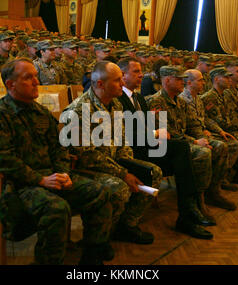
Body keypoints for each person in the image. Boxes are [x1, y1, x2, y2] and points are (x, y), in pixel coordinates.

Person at [0, 58, 114, 265]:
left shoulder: (41, 113)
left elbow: (59, 149)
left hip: (51, 176)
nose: (36, 81)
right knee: (56, 209)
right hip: (21, 184)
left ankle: (92, 258)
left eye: (35, 76)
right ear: (10, 85)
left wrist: (64, 173)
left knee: (100, 192)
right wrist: (40, 180)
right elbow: (1, 159)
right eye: (28, 77)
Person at [64, 61, 163, 245]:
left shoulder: (115, 104)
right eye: (117, 81)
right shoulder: (79, 110)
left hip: (112, 162)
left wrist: (128, 164)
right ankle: (98, 238)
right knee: (119, 187)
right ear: (101, 84)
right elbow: (87, 156)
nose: (123, 84)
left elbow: (122, 140)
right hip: (86, 168)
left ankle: (126, 225)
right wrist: (124, 173)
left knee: (152, 173)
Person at [117, 58, 214, 239]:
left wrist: (155, 133)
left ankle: (188, 212)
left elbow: (145, 125)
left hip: (145, 146)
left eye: (141, 71)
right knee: (181, 152)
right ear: (123, 75)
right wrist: (155, 133)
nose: (142, 75)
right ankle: (189, 211)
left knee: (181, 150)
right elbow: (125, 134)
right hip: (130, 151)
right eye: (136, 71)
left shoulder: (137, 97)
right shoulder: (118, 98)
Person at [180, 69, 238, 193]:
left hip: (203, 133)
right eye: (200, 80)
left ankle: (218, 180)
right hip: (193, 137)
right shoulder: (182, 100)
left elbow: (205, 119)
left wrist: (219, 131)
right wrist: (197, 139)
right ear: (189, 83)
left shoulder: (197, 98)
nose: (204, 83)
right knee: (221, 146)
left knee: (234, 144)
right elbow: (182, 127)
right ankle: (210, 188)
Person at [201, 67, 238, 190]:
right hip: (217, 130)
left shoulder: (223, 95)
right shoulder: (209, 97)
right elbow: (218, 121)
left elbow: (231, 116)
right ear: (217, 79)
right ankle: (221, 179)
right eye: (226, 77)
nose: (229, 80)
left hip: (225, 128)